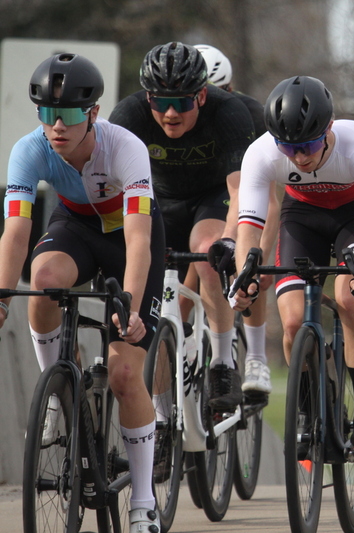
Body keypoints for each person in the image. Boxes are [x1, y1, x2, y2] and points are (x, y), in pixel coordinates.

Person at [0, 53, 164, 532]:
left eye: (69, 114)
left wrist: (129, 305)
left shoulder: (125, 148)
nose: (57, 126)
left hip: (129, 238)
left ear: (92, 113)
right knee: (44, 278)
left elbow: (138, 241)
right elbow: (15, 233)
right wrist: (4, 296)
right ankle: (56, 387)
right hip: (75, 224)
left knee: (125, 374)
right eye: (47, 114)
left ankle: (144, 501)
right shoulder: (29, 149)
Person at [230, 76, 354, 456]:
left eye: (309, 145)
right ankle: (306, 411)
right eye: (289, 147)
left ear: (329, 127)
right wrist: (243, 279)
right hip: (302, 217)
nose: (299, 157)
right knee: (292, 320)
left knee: (349, 300)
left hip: (353, 218)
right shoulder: (261, 153)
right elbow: (248, 229)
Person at [109, 42, 255, 412]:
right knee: (152, 298)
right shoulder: (128, 115)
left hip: (212, 196)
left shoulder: (229, 112)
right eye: (160, 102)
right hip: (159, 199)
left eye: (183, 103)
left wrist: (229, 239)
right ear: (147, 98)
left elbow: (239, 190)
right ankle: (159, 415)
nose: (171, 113)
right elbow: (109, 188)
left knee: (208, 253)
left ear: (202, 96)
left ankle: (222, 362)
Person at [195, 43, 278, 398]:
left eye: (220, 94)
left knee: (250, 262)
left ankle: (256, 355)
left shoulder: (251, 115)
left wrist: (263, 258)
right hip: (198, 196)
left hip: (241, 191)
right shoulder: (180, 115)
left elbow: (270, 202)